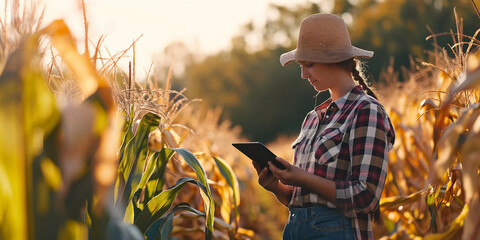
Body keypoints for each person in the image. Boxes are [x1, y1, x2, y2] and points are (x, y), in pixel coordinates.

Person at [252, 13, 395, 240]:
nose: (303, 74)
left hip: (337, 231)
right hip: (295, 229)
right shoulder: (312, 117)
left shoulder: (366, 111)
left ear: (334, 60)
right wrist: (276, 187)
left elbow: (365, 197)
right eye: (301, 65)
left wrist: (301, 177)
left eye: (309, 65)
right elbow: (302, 198)